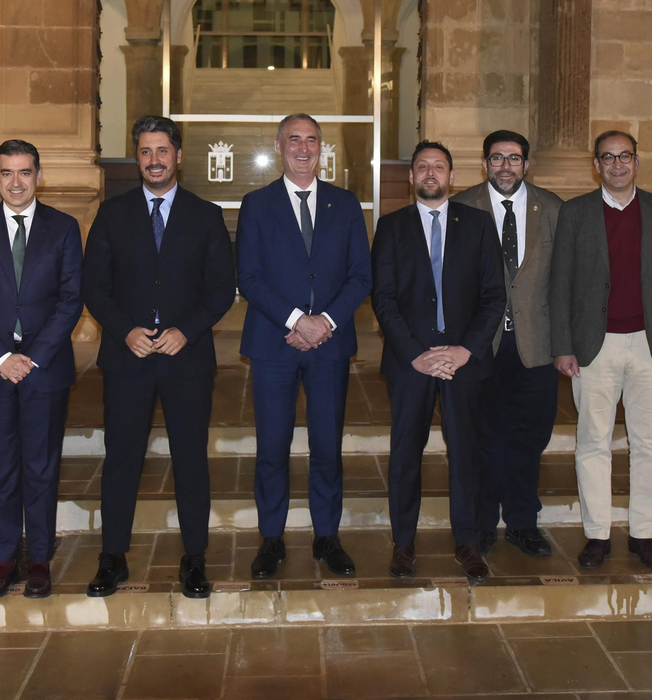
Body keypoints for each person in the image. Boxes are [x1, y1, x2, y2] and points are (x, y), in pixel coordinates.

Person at [80, 116, 236, 599]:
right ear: (137, 157)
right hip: (128, 358)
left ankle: (194, 559)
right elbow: (94, 286)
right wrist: (124, 330)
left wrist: (184, 332)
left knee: (191, 460)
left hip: (185, 359)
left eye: (162, 151)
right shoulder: (111, 214)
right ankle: (113, 558)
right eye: (145, 152)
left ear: (178, 155)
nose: (154, 160)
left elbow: (221, 290)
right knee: (122, 458)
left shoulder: (205, 216)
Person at [236, 113, 372, 580]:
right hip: (275, 343)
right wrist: (297, 320)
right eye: (293, 139)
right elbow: (249, 277)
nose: (302, 147)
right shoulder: (256, 204)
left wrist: (325, 322)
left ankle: (327, 536)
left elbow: (361, 275)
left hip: (329, 346)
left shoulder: (346, 204)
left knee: (327, 447)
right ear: (278, 146)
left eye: (311, 140)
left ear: (321, 148)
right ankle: (270, 538)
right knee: (271, 447)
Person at [550, 130, 652, 571]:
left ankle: (644, 533)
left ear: (636, 160)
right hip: (595, 347)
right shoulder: (575, 214)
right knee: (593, 444)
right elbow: (560, 285)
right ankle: (597, 534)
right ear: (596, 165)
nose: (616, 165)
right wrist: (563, 346)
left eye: (624, 156)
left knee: (648, 443)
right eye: (607, 158)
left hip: (650, 344)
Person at [0, 140, 83, 599]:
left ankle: (41, 559)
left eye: (24, 172)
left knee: (42, 467)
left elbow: (70, 300)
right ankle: (5, 558)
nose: (15, 182)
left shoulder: (64, 228)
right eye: (6, 172)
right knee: (2, 469)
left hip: (44, 369)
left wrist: (33, 356)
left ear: (38, 175)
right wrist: (1, 358)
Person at [372, 140, 506, 580]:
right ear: (410, 178)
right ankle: (403, 543)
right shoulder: (391, 227)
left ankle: (467, 542)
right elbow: (384, 298)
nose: (431, 173)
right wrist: (416, 355)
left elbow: (493, 297)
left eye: (439, 167)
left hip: (464, 362)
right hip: (410, 362)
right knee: (405, 453)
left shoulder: (480, 225)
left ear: (452, 176)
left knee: (465, 453)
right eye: (422, 167)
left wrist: (464, 350)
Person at [452, 129, 564, 560]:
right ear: (484, 164)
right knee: (481, 436)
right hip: (480, 345)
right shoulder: (462, 206)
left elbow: (563, 281)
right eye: (496, 159)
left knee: (529, 438)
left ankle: (521, 522)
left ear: (526, 165)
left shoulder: (551, 207)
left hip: (535, 345)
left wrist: (564, 344)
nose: (505, 167)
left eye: (514, 159)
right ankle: (480, 523)